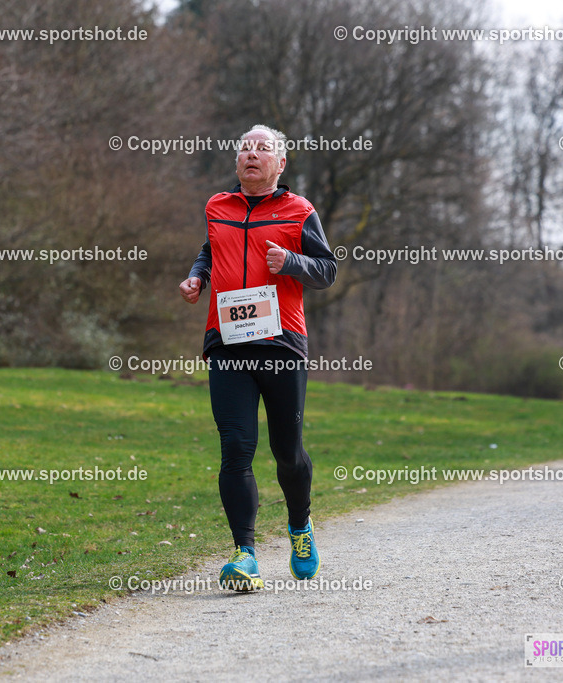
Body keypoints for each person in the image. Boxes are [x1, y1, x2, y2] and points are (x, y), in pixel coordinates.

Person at [179, 124, 337, 591]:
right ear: (236, 162)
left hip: (281, 344)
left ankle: (300, 527)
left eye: (262, 148)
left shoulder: (299, 211)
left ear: (280, 163)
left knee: (286, 452)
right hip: (226, 342)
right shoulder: (217, 207)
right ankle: (244, 554)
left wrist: (290, 262)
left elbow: (327, 269)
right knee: (236, 447)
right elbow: (211, 251)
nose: (252, 154)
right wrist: (196, 277)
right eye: (245, 148)